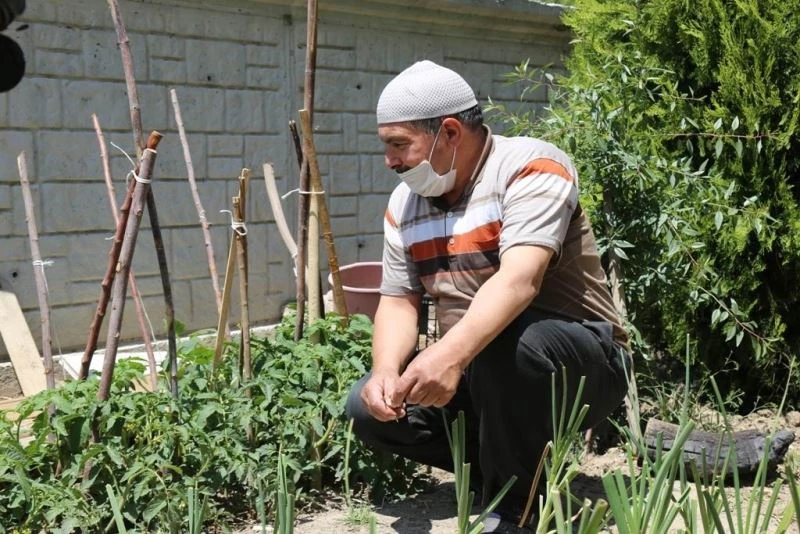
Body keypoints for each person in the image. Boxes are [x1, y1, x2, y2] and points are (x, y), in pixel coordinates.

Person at [345, 60, 631, 533]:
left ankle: (518, 507)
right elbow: (398, 301)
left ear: (450, 133)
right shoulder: (404, 205)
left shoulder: (530, 167)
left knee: (504, 343)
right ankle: (503, 467)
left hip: (578, 366)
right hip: (483, 373)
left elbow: (519, 281)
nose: (390, 161)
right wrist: (385, 374)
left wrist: (448, 356)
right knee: (365, 408)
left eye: (399, 145)